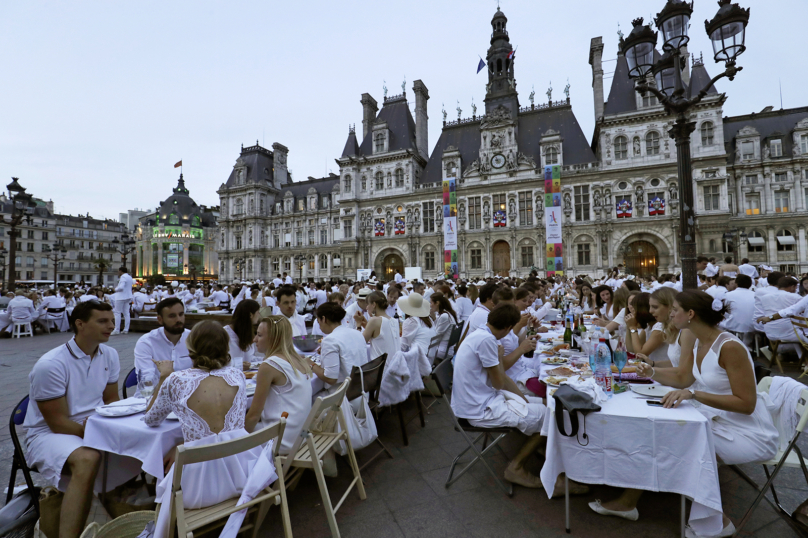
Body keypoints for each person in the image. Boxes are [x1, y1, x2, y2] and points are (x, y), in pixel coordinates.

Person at [633, 291, 778, 537]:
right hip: (718, 420)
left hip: (749, 433)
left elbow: (746, 404)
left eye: (675, 309)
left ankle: (716, 521)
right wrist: (652, 373)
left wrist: (694, 395)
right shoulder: (700, 341)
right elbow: (685, 378)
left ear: (690, 315)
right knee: (668, 432)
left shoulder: (729, 346)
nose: (671, 313)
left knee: (683, 444)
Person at [143, 321, 265, 538]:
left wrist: (163, 376)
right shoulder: (236, 376)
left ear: (191, 348)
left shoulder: (176, 380)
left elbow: (151, 419)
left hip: (196, 490)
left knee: (163, 469)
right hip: (242, 478)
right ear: (225, 348)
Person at [452, 303, 586, 495]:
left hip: (481, 401)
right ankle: (520, 468)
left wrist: (524, 400)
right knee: (552, 415)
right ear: (507, 328)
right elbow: (499, 382)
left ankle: (547, 460)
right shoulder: (486, 341)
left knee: (549, 405)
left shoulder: (483, 335)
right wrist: (501, 359)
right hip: (480, 409)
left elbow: (503, 378)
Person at [23, 301, 120, 538]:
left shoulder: (110, 354)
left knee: (145, 444)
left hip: (93, 424)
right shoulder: (51, 364)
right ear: (80, 324)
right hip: (47, 433)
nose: (111, 326)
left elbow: (112, 401)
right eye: (103, 321)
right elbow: (57, 422)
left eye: (112, 320)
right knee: (88, 457)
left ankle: (124, 516)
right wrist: (103, 435)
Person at [245, 316, 313, 452]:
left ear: (273, 338)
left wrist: (236, 443)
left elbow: (254, 415)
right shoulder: (298, 360)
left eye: (259, 335)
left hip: (281, 441)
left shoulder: (270, 365)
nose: (254, 340)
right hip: (300, 437)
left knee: (227, 437)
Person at [133, 297, 192, 389]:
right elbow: (146, 382)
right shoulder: (147, 342)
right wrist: (165, 375)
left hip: (187, 396)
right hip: (153, 396)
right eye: (172, 316)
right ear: (160, 319)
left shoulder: (194, 338)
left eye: (181, 314)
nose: (178, 320)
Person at [310, 302, 369, 393]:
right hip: (361, 390)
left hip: (343, 396)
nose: (319, 326)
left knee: (309, 398)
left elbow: (330, 378)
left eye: (318, 322)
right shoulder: (357, 333)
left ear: (324, 319)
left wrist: (310, 364)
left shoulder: (330, 340)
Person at [627, 288, 674, 367]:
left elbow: (640, 353)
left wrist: (632, 327)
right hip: (658, 371)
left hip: (662, 372)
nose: (650, 311)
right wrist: (629, 326)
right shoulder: (649, 326)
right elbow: (631, 349)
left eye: (654, 307)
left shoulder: (660, 326)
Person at [355, 291, 401, 363]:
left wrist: (358, 325)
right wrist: (367, 325)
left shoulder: (374, 321)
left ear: (373, 304)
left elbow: (360, 343)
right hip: (395, 366)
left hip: (380, 368)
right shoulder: (394, 321)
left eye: (368, 304)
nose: (366, 308)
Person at [225, 299, 261, 370]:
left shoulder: (247, 332)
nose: (259, 314)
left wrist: (266, 359)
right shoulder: (224, 334)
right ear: (251, 315)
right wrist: (236, 365)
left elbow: (248, 358)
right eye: (258, 312)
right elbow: (215, 360)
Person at [723, 275, 755, 339]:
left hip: (734, 325)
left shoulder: (728, 295)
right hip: (754, 326)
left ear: (736, 284)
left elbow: (723, 310)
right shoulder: (755, 295)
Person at [429, 292, 459, 361]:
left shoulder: (444, 316)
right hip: (446, 347)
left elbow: (436, 337)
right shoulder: (447, 313)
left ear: (437, 303)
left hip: (443, 349)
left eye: (431, 303)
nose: (430, 305)